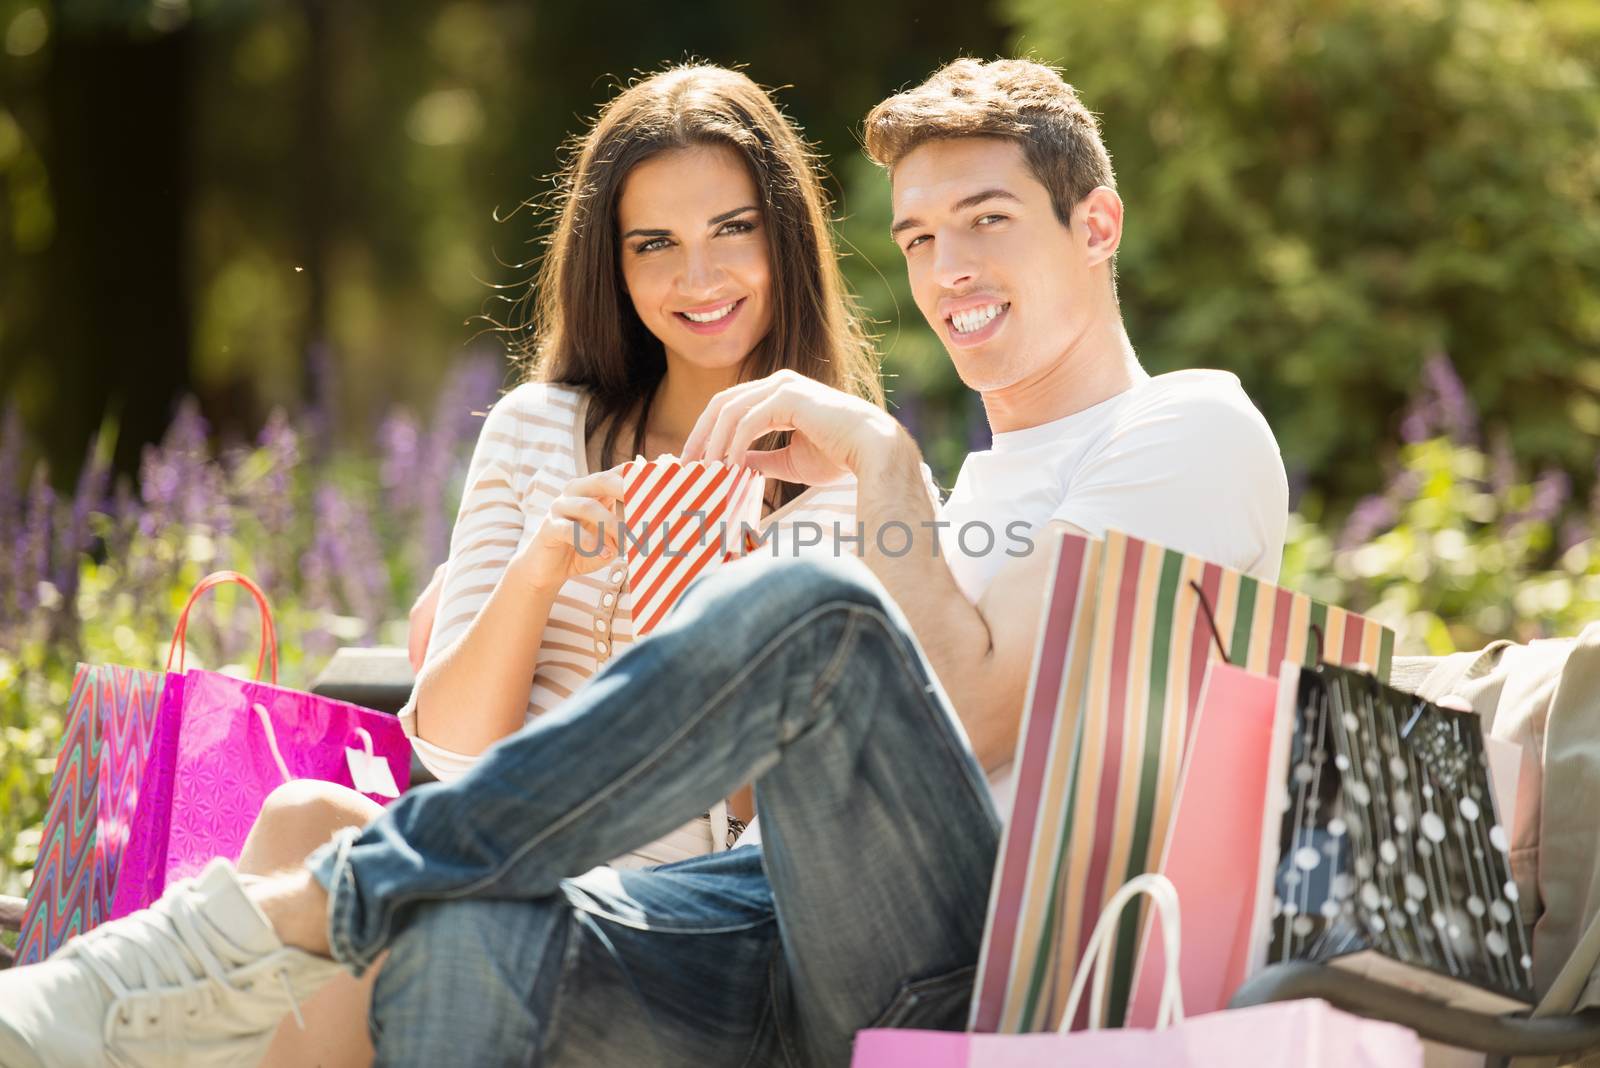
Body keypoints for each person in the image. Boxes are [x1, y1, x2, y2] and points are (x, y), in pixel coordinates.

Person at [0, 58, 1288, 1068]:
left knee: (811, 611)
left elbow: (989, 710)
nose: (950, 268)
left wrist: (873, 477)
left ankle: (275, 915)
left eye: (989, 220)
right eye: (916, 236)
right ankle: (331, 906)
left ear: (1097, 222)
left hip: (982, 967)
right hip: (761, 923)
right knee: (465, 934)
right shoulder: (978, 483)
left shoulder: (1182, 425)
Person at [220, 63, 892, 1068]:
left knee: (409, 897)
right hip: (485, 840)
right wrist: (541, 572)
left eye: (732, 230)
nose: (696, 277)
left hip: (676, 918)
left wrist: (745, 620)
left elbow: (778, 838)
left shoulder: (851, 476)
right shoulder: (539, 432)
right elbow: (447, 759)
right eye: (652, 244)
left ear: (785, 236)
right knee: (302, 815)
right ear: (612, 267)